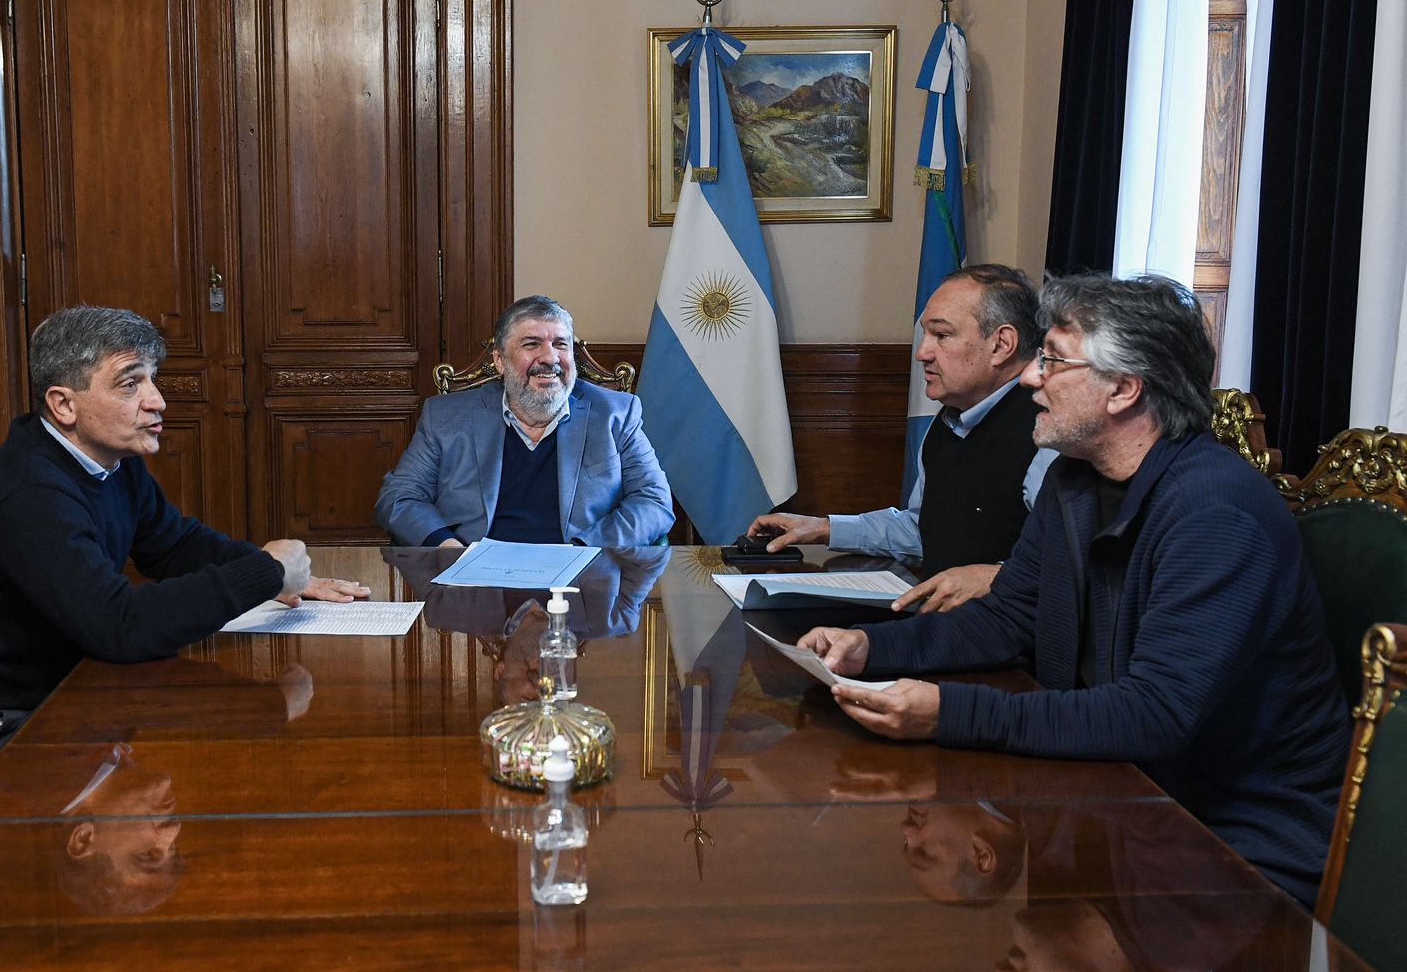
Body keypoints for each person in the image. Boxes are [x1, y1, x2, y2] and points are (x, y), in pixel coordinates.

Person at [798, 274, 1349, 906]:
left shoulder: (1215, 514)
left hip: (1231, 848)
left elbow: (1155, 714)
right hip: (1123, 797)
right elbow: (1004, 619)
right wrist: (870, 648)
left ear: (1123, 389)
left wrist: (948, 713)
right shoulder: (1075, 479)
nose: (1031, 377)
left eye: (1054, 360)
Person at [0, 306, 370, 811]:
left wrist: (279, 579)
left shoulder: (107, 461)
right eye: (129, 384)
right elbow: (120, 626)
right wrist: (264, 572)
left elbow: (174, 544)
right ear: (63, 405)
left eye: (152, 380)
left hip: (47, 704)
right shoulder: (28, 495)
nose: (157, 401)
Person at [749, 265, 1055, 612]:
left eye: (942, 335)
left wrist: (998, 577)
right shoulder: (949, 420)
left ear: (1002, 344)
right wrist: (824, 528)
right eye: (926, 335)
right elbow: (924, 528)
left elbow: (1070, 567)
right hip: (952, 627)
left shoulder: (1050, 429)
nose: (922, 352)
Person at [375, 295, 674, 546]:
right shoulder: (446, 417)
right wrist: (446, 546)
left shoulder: (616, 413)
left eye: (561, 344)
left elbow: (654, 503)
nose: (550, 358)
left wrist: (586, 550)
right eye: (532, 344)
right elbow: (399, 498)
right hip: (477, 581)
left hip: (582, 582)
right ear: (500, 361)